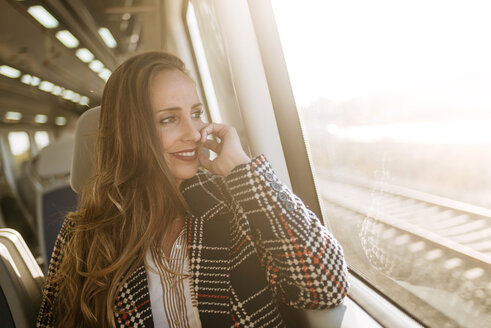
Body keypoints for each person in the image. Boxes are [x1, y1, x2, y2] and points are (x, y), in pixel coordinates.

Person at [36, 51, 349, 328]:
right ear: (131, 133)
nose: (195, 133)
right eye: (169, 119)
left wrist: (243, 170)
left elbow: (326, 284)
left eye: (196, 113)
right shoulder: (83, 233)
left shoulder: (237, 203)